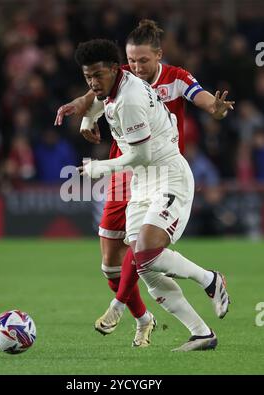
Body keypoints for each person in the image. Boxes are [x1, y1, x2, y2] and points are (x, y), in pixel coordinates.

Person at [55, 20, 234, 348]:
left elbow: (140, 154)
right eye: (132, 61)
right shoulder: (116, 80)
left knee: (146, 253)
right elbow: (95, 95)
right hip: (137, 180)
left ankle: (209, 279)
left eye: (143, 60)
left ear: (158, 56)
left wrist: (98, 166)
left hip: (164, 172)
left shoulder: (145, 91)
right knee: (139, 265)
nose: (137, 66)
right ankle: (200, 332)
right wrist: (86, 117)